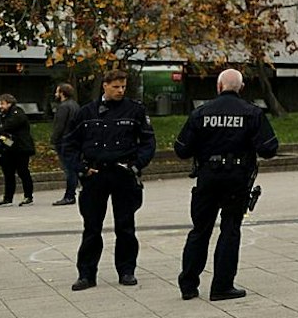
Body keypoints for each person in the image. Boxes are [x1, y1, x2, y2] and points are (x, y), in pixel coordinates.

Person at [172, 68, 278, 302]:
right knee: (230, 229)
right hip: (237, 179)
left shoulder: (201, 113)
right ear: (241, 88)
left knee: (200, 230)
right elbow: (269, 148)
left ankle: (188, 285)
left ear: (218, 87)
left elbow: (181, 149)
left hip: (207, 177)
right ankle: (222, 286)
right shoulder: (252, 113)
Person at [58, 71, 155, 290]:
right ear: (105, 86)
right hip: (96, 175)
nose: (120, 90)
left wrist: (136, 165)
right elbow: (69, 144)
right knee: (92, 227)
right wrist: (81, 169)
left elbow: (148, 142)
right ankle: (86, 274)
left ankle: (127, 271)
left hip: (123, 174)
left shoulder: (135, 110)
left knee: (125, 227)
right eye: (116, 87)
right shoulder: (86, 112)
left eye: (123, 86)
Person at [0, 94, 35, 206]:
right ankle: (7, 198)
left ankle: (28, 196)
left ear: (9, 103)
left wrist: (2, 128)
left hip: (20, 148)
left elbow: (6, 127)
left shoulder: (17, 113)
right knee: (8, 173)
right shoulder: (4, 115)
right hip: (9, 146)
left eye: (2, 103)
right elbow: (0, 129)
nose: (0, 106)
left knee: (23, 172)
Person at [50, 83, 83, 205]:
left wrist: (54, 139)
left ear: (62, 93)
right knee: (74, 168)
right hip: (74, 140)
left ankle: (69, 195)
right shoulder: (75, 105)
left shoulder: (63, 107)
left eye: (57, 92)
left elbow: (60, 125)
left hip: (64, 141)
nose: (55, 94)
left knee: (69, 169)